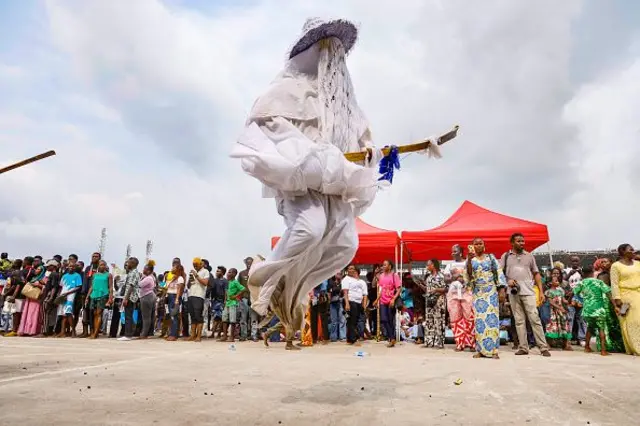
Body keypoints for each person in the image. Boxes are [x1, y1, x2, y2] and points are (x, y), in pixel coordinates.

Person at [231, 17, 403, 341]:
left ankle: (292, 292)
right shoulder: (287, 88)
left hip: (336, 183)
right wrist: (308, 151)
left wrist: (369, 152)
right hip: (303, 178)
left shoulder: (346, 106)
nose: (335, 57)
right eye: (328, 47)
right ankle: (261, 278)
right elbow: (270, 125)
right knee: (310, 228)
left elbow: (362, 138)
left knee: (346, 244)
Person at [500, 233, 551, 357]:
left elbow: (536, 273)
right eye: (518, 241)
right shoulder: (506, 256)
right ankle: (523, 347)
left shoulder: (529, 256)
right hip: (513, 292)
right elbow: (499, 273)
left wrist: (541, 291)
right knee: (519, 320)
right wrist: (508, 282)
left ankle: (543, 347)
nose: (522, 243)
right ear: (512, 242)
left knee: (535, 319)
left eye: (523, 241)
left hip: (528, 291)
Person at [464, 238, 506, 359]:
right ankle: (480, 350)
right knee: (479, 321)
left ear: (484, 245)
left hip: (491, 291)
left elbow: (499, 272)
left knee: (492, 320)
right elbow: (469, 275)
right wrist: (469, 260)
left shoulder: (491, 258)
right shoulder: (471, 259)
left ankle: (494, 350)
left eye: (480, 243)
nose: (478, 246)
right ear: (472, 246)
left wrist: (501, 289)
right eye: (475, 244)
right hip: (478, 292)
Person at [574, 266, 618, 356]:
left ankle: (587, 347)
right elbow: (608, 293)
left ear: (583, 273)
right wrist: (615, 306)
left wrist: (579, 300)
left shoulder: (581, 283)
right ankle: (603, 350)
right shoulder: (599, 282)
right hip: (598, 310)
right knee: (601, 328)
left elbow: (574, 293)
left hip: (587, 310)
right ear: (593, 272)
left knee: (590, 327)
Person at [610, 243, 640, 355]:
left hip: (639, 294)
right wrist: (617, 299)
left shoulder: (638, 264)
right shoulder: (616, 266)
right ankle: (636, 348)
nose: (633, 251)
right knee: (632, 322)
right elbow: (614, 283)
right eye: (630, 250)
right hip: (626, 296)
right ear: (622, 251)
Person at [592, 258, 625, 352]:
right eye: (602, 262)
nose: (603, 263)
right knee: (608, 322)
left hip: (620, 299)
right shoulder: (601, 275)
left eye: (606, 261)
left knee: (619, 322)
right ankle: (608, 345)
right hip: (606, 302)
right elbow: (603, 290)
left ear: (611, 263)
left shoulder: (616, 273)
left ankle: (621, 345)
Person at [447, 268, 475, 352]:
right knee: (455, 318)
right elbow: (445, 279)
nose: (453, 253)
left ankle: (471, 343)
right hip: (453, 293)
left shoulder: (469, 262)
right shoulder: (449, 264)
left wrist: (465, 278)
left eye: (455, 252)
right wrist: (454, 278)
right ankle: (459, 343)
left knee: (469, 317)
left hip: (467, 291)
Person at [544, 267, 572, 350]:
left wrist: (571, 297)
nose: (557, 282)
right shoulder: (548, 291)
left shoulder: (561, 291)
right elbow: (551, 302)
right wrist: (560, 308)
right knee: (552, 327)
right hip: (553, 312)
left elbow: (564, 301)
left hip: (561, 312)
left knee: (565, 327)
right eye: (555, 281)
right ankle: (548, 344)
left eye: (558, 280)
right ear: (550, 283)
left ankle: (566, 344)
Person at [375, 260, 401, 347]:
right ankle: (392, 337)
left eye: (385, 265)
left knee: (390, 320)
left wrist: (393, 299)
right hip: (382, 301)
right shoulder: (381, 276)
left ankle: (391, 339)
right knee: (383, 319)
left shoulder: (395, 275)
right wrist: (377, 299)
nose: (383, 266)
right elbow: (381, 289)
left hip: (391, 301)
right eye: (383, 264)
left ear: (390, 266)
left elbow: (398, 289)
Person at [84, 260, 113, 339]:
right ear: (98, 266)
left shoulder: (109, 275)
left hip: (103, 295)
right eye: (100, 265)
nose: (102, 266)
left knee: (99, 313)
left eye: (104, 265)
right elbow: (92, 286)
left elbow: (110, 287)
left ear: (106, 266)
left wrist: (110, 298)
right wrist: (87, 297)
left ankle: (95, 334)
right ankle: (93, 333)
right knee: (94, 314)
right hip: (93, 295)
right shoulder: (95, 275)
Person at [422, 259, 447, 349]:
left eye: (428, 265)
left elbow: (445, 289)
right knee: (429, 321)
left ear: (433, 265)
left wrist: (436, 290)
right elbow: (428, 289)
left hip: (439, 301)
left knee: (438, 321)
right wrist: (422, 287)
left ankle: (439, 342)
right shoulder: (428, 277)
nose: (427, 266)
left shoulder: (441, 276)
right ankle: (429, 341)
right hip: (429, 301)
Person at [342, 265, 368, 345]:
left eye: (353, 268)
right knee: (351, 320)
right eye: (349, 269)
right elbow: (345, 292)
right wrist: (347, 303)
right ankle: (353, 339)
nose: (351, 270)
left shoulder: (358, 281)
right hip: (350, 301)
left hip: (358, 302)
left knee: (355, 320)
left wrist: (363, 304)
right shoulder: (346, 279)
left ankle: (350, 339)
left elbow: (364, 294)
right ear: (347, 270)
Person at [219, 268, 245, 343]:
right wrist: (225, 300)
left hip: (233, 303)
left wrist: (236, 296)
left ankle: (232, 337)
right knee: (224, 319)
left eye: (230, 272)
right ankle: (224, 336)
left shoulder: (235, 282)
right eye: (228, 272)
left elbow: (243, 289)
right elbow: (226, 292)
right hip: (227, 303)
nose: (228, 274)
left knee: (232, 320)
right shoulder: (227, 282)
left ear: (234, 274)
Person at [187, 258, 209, 342]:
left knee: (198, 316)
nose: (195, 266)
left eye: (196, 265)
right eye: (194, 265)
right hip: (191, 295)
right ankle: (192, 335)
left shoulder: (205, 271)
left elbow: (205, 283)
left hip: (199, 296)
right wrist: (190, 279)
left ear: (201, 264)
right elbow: (189, 286)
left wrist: (196, 275)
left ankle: (198, 336)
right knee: (192, 316)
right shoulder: (193, 272)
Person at [119, 257, 141, 342]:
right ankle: (131, 331)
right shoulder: (133, 272)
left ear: (133, 264)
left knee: (128, 316)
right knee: (129, 315)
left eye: (128, 263)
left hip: (130, 297)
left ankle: (128, 335)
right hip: (131, 296)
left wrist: (126, 298)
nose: (127, 264)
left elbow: (131, 286)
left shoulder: (133, 273)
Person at [138, 261, 157, 339]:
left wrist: (140, 278)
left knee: (146, 317)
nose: (143, 270)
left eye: (145, 269)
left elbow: (139, 285)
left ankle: (144, 334)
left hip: (146, 296)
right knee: (150, 316)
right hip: (150, 295)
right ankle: (149, 332)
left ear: (149, 270)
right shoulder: (151, 277)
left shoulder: (148, 278)